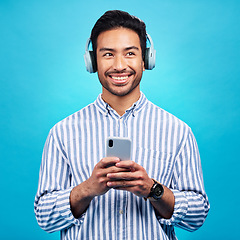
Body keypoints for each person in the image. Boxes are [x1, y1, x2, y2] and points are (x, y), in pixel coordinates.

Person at [34, 10, 210, 240]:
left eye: (130, 53)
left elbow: (196, 217)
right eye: (108, 54)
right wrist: (87, 189)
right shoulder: (62, 133)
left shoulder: (178, 131)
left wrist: (152, 190)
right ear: (92, 62)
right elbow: (44, 218)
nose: (119, 65)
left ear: (145, 59)